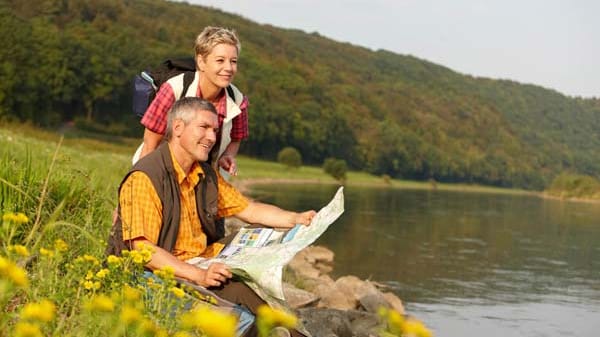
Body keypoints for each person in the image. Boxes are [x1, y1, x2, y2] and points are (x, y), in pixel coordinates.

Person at [107, 97, 315, 337]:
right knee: (242, 320)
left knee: (258, 301)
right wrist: (199, 275)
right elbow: (143, 250)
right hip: (154, 273)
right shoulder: (146, 177)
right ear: (178, 128)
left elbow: (249, 209)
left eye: (215, 130)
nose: (212, 138)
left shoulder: (205, 173)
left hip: (198, 263)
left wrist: (296, 218)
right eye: (204, 128)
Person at [138, 26, 249, 176]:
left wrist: (228, 156)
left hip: (208, 177)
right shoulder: (174, 89)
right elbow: (150, 144)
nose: (228, 68)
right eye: (220, 60)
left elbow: (236, 138)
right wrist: (144, 180)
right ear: (201, 62)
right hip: (164, 171)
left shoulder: (238, 100)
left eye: (233, 61)